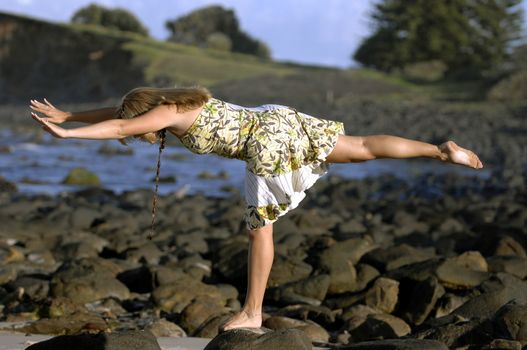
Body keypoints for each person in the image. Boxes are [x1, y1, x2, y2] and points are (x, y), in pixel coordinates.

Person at [30, 86, 483, 331]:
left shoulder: (165, 112)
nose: (145, 138)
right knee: (363, 146)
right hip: (277, 117)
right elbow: (120, 112)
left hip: (262, 144)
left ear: (147, 112)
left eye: (143, 131)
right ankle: (440, 151)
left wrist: (69, 137)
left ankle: (253, 312)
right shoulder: (184, 101)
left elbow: (122, 122)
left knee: (259, 231)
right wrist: (69, 115)